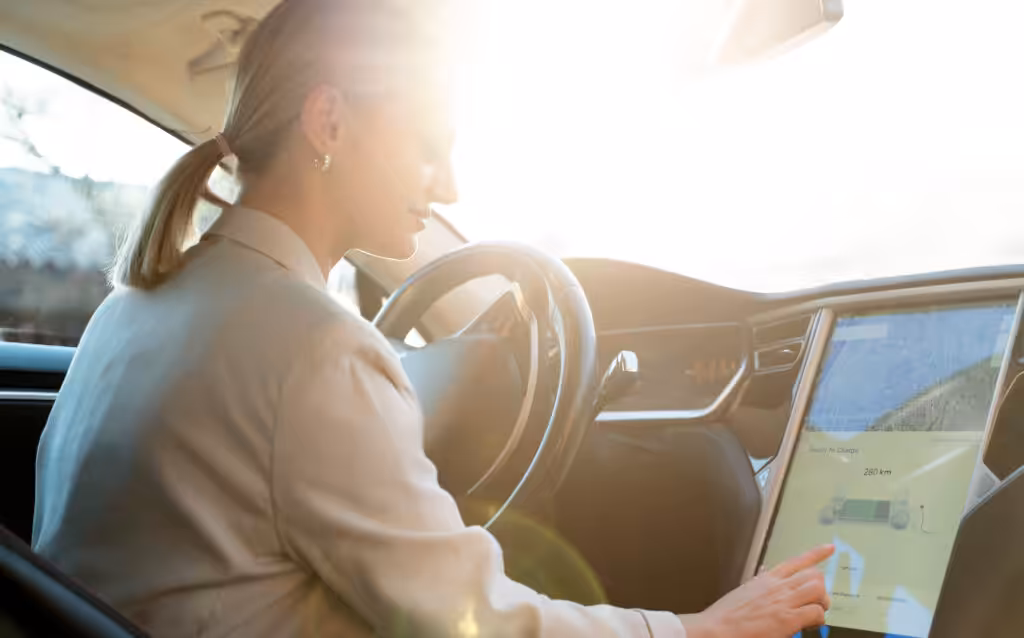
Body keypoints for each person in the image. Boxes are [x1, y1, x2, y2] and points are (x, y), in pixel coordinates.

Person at [32, 0, 833, 636]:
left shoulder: (127, 312)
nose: (447, 185)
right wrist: (700, 630)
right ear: (330, 122)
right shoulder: (316, 349)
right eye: (427, 146)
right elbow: (467, 624)